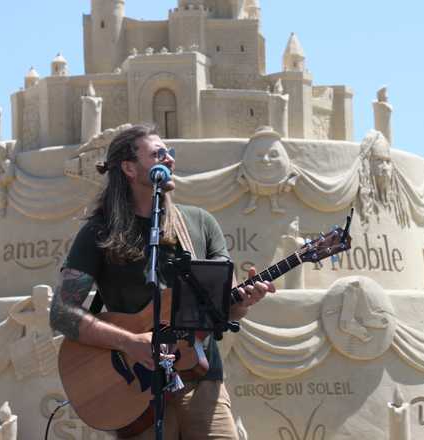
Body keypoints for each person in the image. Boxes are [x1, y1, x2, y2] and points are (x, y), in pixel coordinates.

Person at [49, 124, 277, 440]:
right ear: (129, 168)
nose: (169, 159)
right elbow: (61, 313)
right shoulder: (100, 232)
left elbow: (225, 312)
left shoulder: (200, 223)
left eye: (169, 153)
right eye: (158, 154)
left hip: (202, 382)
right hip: (136, 391)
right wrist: (130, 343)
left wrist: (242, 303)